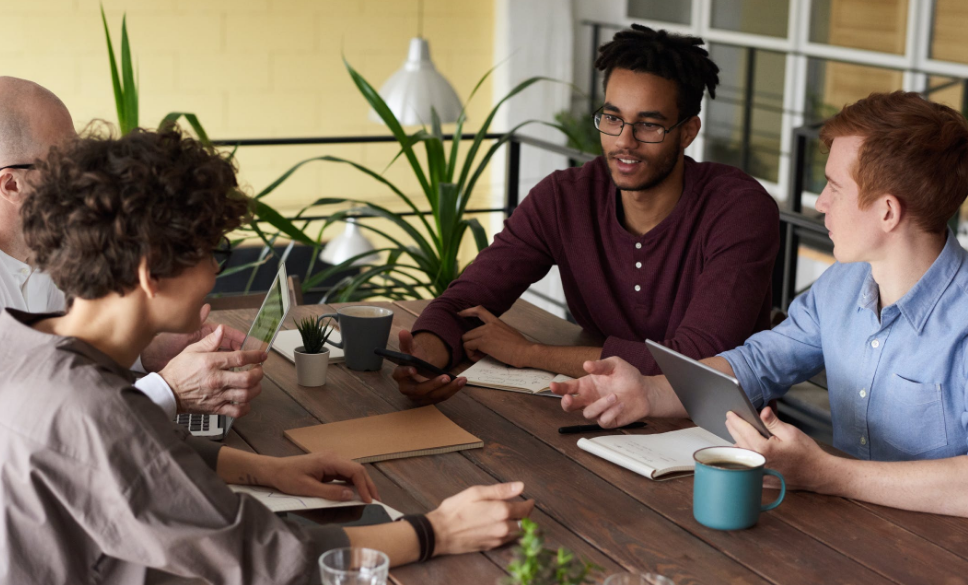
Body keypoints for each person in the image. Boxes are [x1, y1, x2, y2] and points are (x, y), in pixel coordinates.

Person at [0, 127, 534, 584]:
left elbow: (121, 463)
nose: (215, 272)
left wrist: (263, 470)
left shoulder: (21, 340)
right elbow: (263, 562)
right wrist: (436, 530)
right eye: (213, 252)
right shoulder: (92, 408)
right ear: (150, 273)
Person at [553, 91, 968, 517]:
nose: (820, 202)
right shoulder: (842, 285)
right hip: (847, 530)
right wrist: (650, 391)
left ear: (887, 213)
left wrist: (829, 474)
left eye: (834, 187)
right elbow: (759, 362)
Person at [393, 25, 779, 404]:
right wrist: (423, 361)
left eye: (648, 125)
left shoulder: (739, 209)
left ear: (687, 131)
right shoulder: (565, 198)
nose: (624, 142)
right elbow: (467, 299)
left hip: (721, 432)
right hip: (601, 412)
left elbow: (694, 362)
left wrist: (530, 353)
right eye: (612, 118)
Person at [0, 75, 260, 419]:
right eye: (64, 163)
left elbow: (70, 369)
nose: (82, 175)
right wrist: (169, 390)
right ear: (12, 183)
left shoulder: (62, 246)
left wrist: (148, 351)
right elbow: (41, 430)